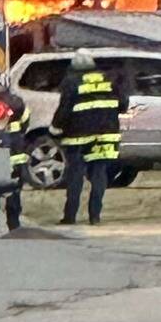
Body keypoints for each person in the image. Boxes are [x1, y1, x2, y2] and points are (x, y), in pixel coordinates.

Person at [52, 50, 127, 225]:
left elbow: (64, 109)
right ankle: (95, 217)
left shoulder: (71, 82)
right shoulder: (109, 80)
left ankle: (70, 216)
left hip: (78, 137)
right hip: (106, 135)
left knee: (75, 176)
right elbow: (123, 105)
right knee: (99, 174)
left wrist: (55, 127)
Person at [0, 73, 29, 234]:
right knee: (14, 188)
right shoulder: (17, 103)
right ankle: (14, 223)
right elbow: (25, 122)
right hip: (16, 150)